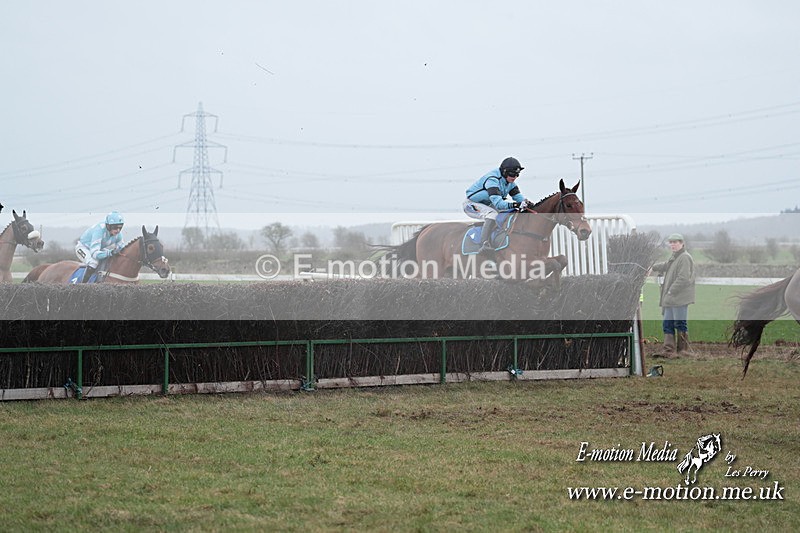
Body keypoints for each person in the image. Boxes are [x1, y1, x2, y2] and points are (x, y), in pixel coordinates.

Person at [463, 157, 530, 254]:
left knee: (506, 213)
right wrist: (516, 204)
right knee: (492, 214)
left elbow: (520, 199)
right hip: (471, 205)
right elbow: (499, 204)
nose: (515, 177)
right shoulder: (492, 180)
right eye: (512, 174)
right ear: (504, 172)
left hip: (487, 204)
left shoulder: (510, 183)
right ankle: (484, 244)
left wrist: (528, 204)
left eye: (517, 174)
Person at [650, 233, 696, 356]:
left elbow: (683, 278)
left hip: (679, 298)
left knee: (680, 323)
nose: (672, 245)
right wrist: (652, 268)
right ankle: (669, 351)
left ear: (682, 243)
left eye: (675, 242)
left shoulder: (685, 257)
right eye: (671, 242)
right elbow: (666, 265)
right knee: (667, 323)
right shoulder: (675, 257)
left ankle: (683, 351)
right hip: (670, 298)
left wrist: (671, 291)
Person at [75, 211, 126, 283]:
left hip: (98, 248)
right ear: (108, 226)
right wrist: (110, 252)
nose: (118, 230)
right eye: (115, 227)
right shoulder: (99, 231)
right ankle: (82, 286)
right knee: (93, 262)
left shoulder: (118, 234)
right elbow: (95, 254)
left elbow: (122, 249)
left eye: (120, 227)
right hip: (83, 248)